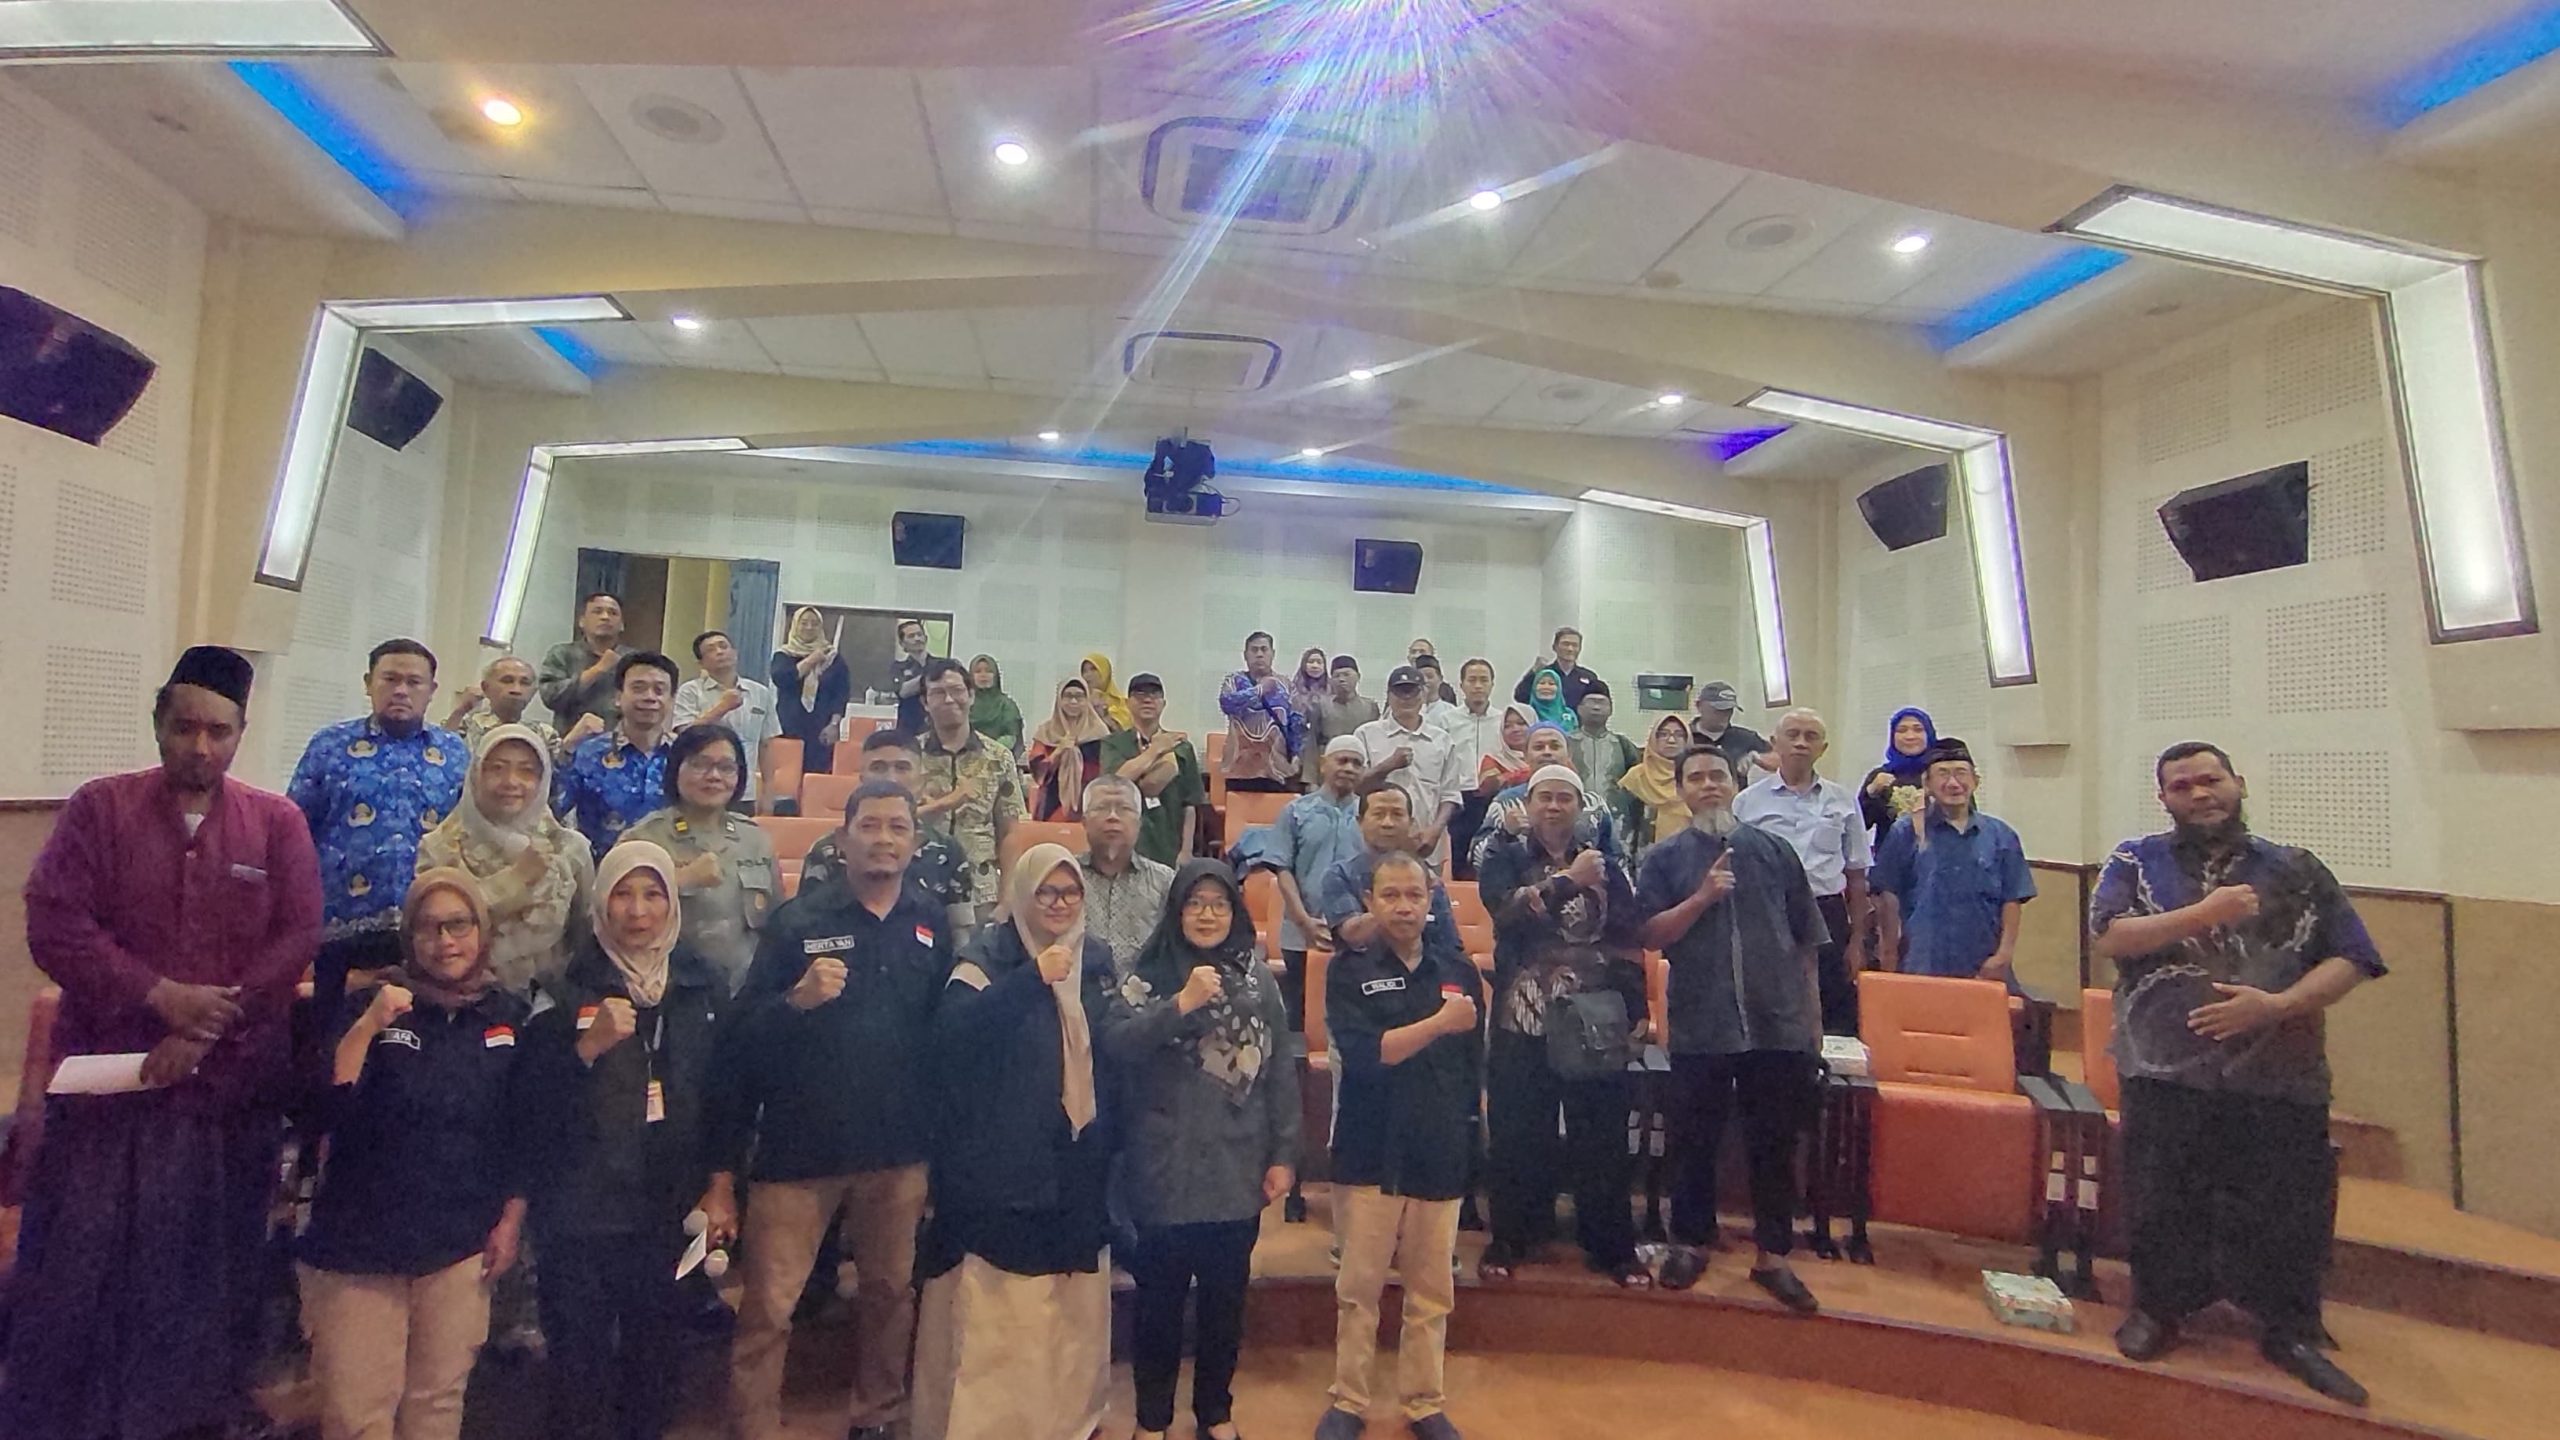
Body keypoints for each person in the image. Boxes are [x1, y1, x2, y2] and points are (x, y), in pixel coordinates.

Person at [1, 647, 322, 1440]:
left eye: (219, 732)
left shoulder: (275, 823)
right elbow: (56, 924)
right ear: (158, 723)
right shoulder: (99, 809)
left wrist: (205, 1030)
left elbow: (296, 937)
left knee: (197, 1283)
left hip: (223, 1104)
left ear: (242, 733)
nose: (201, 747)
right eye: (186, 728)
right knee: (79, 1280)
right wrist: (158, 996)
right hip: (108, 1096)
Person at [2091, 742, 2386, 1406]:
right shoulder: (2135, 861)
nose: (2200, 794)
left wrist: (2277, 1005)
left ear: (2238, 784)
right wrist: (2204, 913)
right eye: (2183, 786)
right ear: (2163, 799)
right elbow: (2110, 936)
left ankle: (2291, 1330)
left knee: (2286, 1205)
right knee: (2161, 1197)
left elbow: (2352, 957)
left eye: (2211, 780)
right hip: (2162, 1069)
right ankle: (2158, 1310)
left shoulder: (2296, 868)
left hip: (2278, 1074)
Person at [704, 781, 956, 1440]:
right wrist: (796, 1002)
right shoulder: (800, 922)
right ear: (843, 839)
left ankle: (878, 1416)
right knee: (770, 1306)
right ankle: (753, 1426)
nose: (883, 839)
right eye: (869, 825)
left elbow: (945, 1034)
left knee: (889, 1296)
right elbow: (740, 1038)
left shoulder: (931, 923)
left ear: (915, 842)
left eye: (897, 827)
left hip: (897, 1154)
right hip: (799, 1154)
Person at [296, 869, 530, 1440]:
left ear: (482, 931)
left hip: (459, 1246)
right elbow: (322, 1109)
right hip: (359, 1249)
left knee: (437, 1407)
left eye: (459, 925)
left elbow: (524, 1129)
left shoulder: (508, 1013)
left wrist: (511, 1220)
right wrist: (370, 1025)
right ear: (409, 937)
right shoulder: (370, 1004)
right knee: (358, 1416)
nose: (445, 941)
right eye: (429, 928)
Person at [910, 846, 1118, 1440]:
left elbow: (1112, 1041)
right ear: (1022, 895)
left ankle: (1066, 1421)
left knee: (1068, 1305)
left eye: (1069, 892)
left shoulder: (1095, 957)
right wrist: (1031, 980)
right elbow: (951, 1039)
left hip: (1073, 1160)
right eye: (1045, 892)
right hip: (998, 1166)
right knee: (1001, 1315)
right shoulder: (985, 957)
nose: (1058, 904)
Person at [518, 841, 722, 1440]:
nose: (638, 911)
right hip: (580, 1211)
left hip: (667, 1208)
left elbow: (723, 1095)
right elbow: (529, 1106)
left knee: (656, 1360)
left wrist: (720, 1183)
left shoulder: (701, 982)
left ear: (672, 903)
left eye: (653, 894)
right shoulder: (562, 984)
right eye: (623, 895)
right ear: (601, 904)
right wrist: (585, 1050)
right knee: (578, 1365)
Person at [1101, 862, 1299, 1440]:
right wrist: (1180, 1005)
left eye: (1219, 903)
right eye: (1195, 903)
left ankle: (1215, 1412)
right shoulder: (1148, 975)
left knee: (1224, 1304)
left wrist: (1284, 1154)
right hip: (1164, 1166)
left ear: (1235, 912)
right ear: (1176, 911)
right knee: (1158, 1305)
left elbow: (1279, 1075)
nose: (1207, 914)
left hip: (1237, 1166)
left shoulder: (1257, 980)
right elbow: (1117, 1043)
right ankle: (1152, 1418)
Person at [1634, 746, 1828, 1311]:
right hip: (1702, 1022)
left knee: (1774, 1143)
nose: (1709, 785)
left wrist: (1811, 1020)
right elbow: (1650, 935)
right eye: (1695, 778)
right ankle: (1691, 1244)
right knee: (1695, 1141)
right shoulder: (1663, 859)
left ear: (1735, 784)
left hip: (1777, 1023)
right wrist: (1701, 898)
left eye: (1717, 775)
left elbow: (1807, 939)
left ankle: (1773, 1257)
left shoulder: (1774, 851)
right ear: (1681, 791)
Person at [1314, 853, 1484, 1440]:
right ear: (1370, 900)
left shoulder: (1458, 969)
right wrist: (1439, 1023)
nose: (1404, 907)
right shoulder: (1348, 970)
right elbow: (1368, 1057)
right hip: (1369, 1151)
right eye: (1391, 895)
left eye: (1415, 894)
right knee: (1358, 1290)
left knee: (1432, 1293)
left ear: (1432, 897)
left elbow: (1472, 1066)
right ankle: (1349, 1400)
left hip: (1439, 1151)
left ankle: (1424, 1403)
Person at [1474, 765, 1650, 1288]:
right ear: (1529, 805)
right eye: (1544, 797)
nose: (1554, 806)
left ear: (1580, 806)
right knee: (1517, 1132)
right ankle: (1513, 1236)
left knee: (1602, 1133)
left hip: (1594, 1015)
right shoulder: (1504, 857)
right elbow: (1506, 915)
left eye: (1564, 798)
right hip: (1523, 1013)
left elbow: (1626, 939)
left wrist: (1637, 1007)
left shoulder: (1608, 865)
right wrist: (1569, 881)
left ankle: (1611, 1246)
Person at [290, 637, 470, 1009]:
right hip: (339, 929)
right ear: (368, 683)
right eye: (390, 679)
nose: (401, 690)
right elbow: (295, 833)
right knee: (333, 1033)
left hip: (428, 932)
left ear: (432, 690)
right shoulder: (329, 746)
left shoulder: (454, 753)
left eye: (414, 682)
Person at [415, 722, 595, 997]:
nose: (511, 782)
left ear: (543, 779)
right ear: (475, 775)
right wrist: (515, 879)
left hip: (548, 1007)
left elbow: (582, 940)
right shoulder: (438, 848)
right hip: (461, 1005)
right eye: (497, 769)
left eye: (526, 771)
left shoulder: (569, 849)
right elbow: (432, 933)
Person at [1734, 709, 1874, 1035]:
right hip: (1766, 912)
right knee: (1768, 1004)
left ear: (1823, 748)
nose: (1801, 743)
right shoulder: (1746, 803)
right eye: (1793, 735)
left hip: (1827, 911)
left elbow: (1857, 874)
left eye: (1810, 737)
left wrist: (1857, 940)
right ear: (1775, 743)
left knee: (1831, 1004)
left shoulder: (1843, 801)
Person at [624, 725, 780, 995]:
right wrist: (679, 880)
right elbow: (612, 922)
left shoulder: (755, 840)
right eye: (700, 765)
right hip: (670, 993)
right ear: (676, 770)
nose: (714, 776)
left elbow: (777, 923)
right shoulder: (644, 839)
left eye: (726, 767)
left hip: (746, 993)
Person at [1871, 737, 2037, 983]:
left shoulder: (2001, 835)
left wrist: (2004, 955)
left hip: (1984, 964)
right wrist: (1889, 952)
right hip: (1921, 963)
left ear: (1975, 781)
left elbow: (2012, 898)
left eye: (1961, 773)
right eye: (1943, 774)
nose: (1953, 783)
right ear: (1927, 783)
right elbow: (1887, 894)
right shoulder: (1906, 832)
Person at [804, 728, 981, 944]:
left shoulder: (947, 852)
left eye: (902, 768)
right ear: (861, 778)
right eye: (878, 768)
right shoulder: (829, 849)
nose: (891, 778)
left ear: (922, 781)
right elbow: (805, 926)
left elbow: (960, 937)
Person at [1262, 737, 1367, 1031]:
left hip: (1356, 936)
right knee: (1299, 1017)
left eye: (1357, 763)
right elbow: (1283, 869)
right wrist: (1304, 920)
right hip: (1301, 932)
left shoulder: (1370, 815)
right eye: (1342, 760)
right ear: (1323, 764)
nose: (1349, 768)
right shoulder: (1295, 811)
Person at [917, 657, 1027, 925]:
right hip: (918, 888)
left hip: (981, 891)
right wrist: (942, 804)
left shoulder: (998, 757)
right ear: (925, 702)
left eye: (957, 690)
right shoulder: (909, 756)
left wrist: (1007, 900)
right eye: (938, 693)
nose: (949, 700)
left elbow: (1010, 832)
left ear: (971, 695)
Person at [1318, 787, 1466, 973]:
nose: (1387, 823)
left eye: (1397, 814)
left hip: (1426, 975)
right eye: (1378, 814)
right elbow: (1352, 935)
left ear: (1411, 823)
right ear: (1360, 822)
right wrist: (1402, 909)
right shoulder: (1340, 874)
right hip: (1361, 977)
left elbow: (1451, 945)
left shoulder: (1427, 878)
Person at [555, 651, 682, 862]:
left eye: (659, 690)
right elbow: (552, 810)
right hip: (601, 871)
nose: (650, 697)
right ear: (617, 697)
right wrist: (566, 748)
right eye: (638, 688)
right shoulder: (588, 752)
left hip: (671, 871)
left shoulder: (686, 755)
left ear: (671, 700)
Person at [1354, 665, 1469, 868]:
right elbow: (1355, 787)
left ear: (1424, 694)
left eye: (1412, 691)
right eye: (1400, 691)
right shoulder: (1366, 734)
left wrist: (1435, 831)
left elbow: (1450, 794)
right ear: (1388, 696)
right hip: (1376, 845)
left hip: (1424, 844)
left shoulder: (1442, 740)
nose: (1406, 698)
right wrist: (1386, 766)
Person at [1473, 722, 1625, 871]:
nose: (1547, 752)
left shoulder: (1593, 803)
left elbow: (1617, 859)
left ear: (1569, 754)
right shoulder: (1505, 803)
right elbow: (1477, 860)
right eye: (1538, 747)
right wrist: (1504, 832)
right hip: (1525, 887)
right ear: (1525, 755)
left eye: (1555, 746)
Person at [1103, 672, 1208, 865]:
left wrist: (1186, 851)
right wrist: (1156, 750)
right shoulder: (1114, 743)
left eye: (1154, 695)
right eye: (1140, 695)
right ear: (1127, 703)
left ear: (1163, 703)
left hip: (1168, 843)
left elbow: (1190, 803)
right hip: (1125, 845)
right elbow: (1116, 781)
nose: (1147, 700)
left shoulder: (1181, 747)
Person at [1076, 774, 1175, 976]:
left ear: (1139, 822)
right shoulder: (1066, 875)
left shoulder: (1165, 880)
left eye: (1124, 809)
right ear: (1084, 822)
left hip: (1147, 991)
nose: (1113, 816)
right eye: (1102, 808)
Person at [672, 629, 782, 812]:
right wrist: (722, 707)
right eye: (711, 649)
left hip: (744, 791)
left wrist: (768, 793)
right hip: (702, 788)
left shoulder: (760, 693)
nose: (719, 652)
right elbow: (685, 737)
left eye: (723, 646)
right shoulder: (690, 691)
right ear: (701, 663)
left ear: (735, 653)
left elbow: (766, 746)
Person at [538, 591, 637, 737]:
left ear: (622, 625)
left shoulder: (634, 659)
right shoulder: (562, 653)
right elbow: (551, 697)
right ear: (582, 621)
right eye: (597, 611)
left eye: (613, 613)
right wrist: (599, 669)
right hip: (571, 741)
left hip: (622, 741)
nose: (605, 617)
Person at [1218, 630, 1306, 794]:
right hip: (1240, 769)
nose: (1259, 654)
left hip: (1278, 769)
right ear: (1245, 655)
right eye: (1254, 650)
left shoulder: (1286, 685)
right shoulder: (1234, 681)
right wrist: (1259, 690)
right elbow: (1227, 703)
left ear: (1273, 654)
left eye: (1264, 649)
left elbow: (1296, 722)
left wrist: (1296, 754)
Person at [774, 605, 853, 777]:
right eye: (804, 623)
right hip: (788, 725)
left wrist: (834, 724)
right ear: (795, 625)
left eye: (814, 623)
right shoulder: (784, 654)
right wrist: (811, 660)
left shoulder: (832, 657)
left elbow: (841, 694)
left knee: (817, 775)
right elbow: (782, 678)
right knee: (787, 775)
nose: (809, 627)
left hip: (821, 727)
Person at [1028, 676, 1113, 822]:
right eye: (1068, 696)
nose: (1073, 701)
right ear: (1059, 700)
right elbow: (1037, 772)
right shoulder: (1046, 732)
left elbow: (1108, 770)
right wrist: (1058, 752)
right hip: (1052, 803)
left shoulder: (1100, 733)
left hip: (1090, 803)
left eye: (1079, 697)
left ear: (1087, 700)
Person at [444, 653, 563, 758]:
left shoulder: (544, 734)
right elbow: (442, 753)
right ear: (485, 687)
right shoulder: (466, 726)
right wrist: (460, 710)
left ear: (534, 691)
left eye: (524, 683)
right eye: (507, 681)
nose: (516, 690)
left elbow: (562, 769)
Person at [1859, 706, 1937, 849]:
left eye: (1918, 729)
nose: (1910, 736)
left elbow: (1966, 818)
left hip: (1938, 857)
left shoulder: (1942, 774)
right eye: (1901, 730)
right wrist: (1871, 793)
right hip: (1890, 858)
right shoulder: (1880, 776)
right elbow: (1858, 826)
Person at [1613, 714, 1695, 850]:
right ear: (1653, 738)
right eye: (1663, 734)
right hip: (1643, 854)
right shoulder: (1637, 777)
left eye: (1679, 735)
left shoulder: (1695, 776)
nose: (1671, 740)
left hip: (1689, 853)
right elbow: (1622, 827)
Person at [1306, 655, 1381, 788]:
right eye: (1337, 676)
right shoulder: (1321, 706)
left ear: (1358, 677)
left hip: (1359, 772)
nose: (1341, 679)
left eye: (1346, 674)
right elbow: (1312, 743)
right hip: (1329, 772)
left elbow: (1376, 744)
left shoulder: (1370, 707)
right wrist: (1310, 780)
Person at [1565, 680, 1639, 795]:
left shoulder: (1622, 744)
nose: (1596, 707)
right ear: (1579, 709)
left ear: (1610, 710)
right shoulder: (1566, 742)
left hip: (1614, 805)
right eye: (1591, 702)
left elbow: (1637, 779)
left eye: (1602, 703)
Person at [1688, 680, 1775, 776]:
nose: (1725, 714)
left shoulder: (1746, 738)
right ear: (1699, 706)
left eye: (1729, 710)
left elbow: (1780, 759)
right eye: (1719, 709)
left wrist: (1757, 757)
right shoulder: (1683, 736)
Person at [1513, 627, 1601, 712]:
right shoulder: (1543, 673)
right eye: (1565, 644)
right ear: (1554, 647)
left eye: (1575, 645)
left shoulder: (1589, 676)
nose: (1570, 649)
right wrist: (1533, 673)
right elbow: (1520, 697)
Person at [967, 654, 1027, 763]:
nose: (983, 675)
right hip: (967, 759)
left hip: (999, 760)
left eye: (988, 671)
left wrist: (989, 753)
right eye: (978, 671)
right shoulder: (964, 704)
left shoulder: (1006, 704)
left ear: (996, 675)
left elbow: (1011, 736)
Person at [889, 618, 938, 737]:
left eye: (920, 634)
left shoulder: (939, 664)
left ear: (926, 638)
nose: (917, 639)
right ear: (902, 644)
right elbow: (903, 692)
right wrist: (931, 677)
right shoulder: (898, 667)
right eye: (911, 636)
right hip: (909, 728)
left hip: (936, 727)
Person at [1079, 651, 1135, 730]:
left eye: (1093, 669)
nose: (1088, 675)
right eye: (1084, 671)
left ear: (1105, 671)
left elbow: (1124, 731)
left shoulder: (1121, 703)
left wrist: (1103, 713)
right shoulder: (1079, 700)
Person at [1286, 645, 1333, 733]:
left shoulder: (1332, 689)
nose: (1315, 666)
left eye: (1319, 662)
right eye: (1311, 662)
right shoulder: (1293, 689)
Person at [1415, 654, 1462, 730]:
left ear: (1440, 678)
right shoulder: (1409, 709)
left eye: (1430, 676)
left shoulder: (1451, 711)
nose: (1425, 680)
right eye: (1421, 677)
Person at [1522, 666, 1575, 730]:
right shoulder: (1526, 715)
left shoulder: (1569, 714)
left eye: (1551, 684)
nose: (1546, 687)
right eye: (1542, 683)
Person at [1410, 640, 1460, 705]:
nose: (1416, 655)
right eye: (1413, 652)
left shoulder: (1444, 689)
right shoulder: (1402, 685)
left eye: (1422, 651)